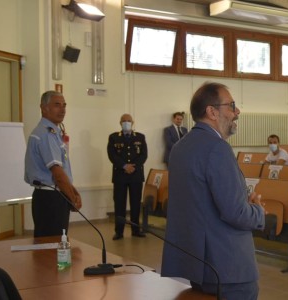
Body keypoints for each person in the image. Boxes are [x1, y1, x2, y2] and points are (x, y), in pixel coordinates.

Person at [161, 82, 265, 300]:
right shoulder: (217, 148)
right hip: (228, 267)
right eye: (231, 106)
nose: (237, 112)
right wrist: (257, 211)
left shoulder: (181, 147)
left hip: (198, 263)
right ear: (212, 111)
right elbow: (234, 212)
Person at [25, 91, 82, 237]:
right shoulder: (46, 134)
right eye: (57, 105)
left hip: (54, 194)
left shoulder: (53, 132)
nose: (62, 109)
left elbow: (62, 170)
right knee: (52, 246)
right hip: (50, 198)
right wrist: (71, 198)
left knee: (53, 245)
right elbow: (57, 173)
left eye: (64, 105)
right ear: (44, 108)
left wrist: (72, 191)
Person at [107, 113, 148, 240]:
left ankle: (136, 230)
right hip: (120, 176)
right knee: (119, 204)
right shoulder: (114, 137)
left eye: (129, 120)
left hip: (136, 176)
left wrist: (132, 167)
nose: (126, 122)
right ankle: (119, 232)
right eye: (124, 121)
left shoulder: (140, 137)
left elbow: (144, 155)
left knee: (135, 204)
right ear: (120, 123)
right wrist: (124, 166)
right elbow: (112, 155)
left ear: (132, 122)